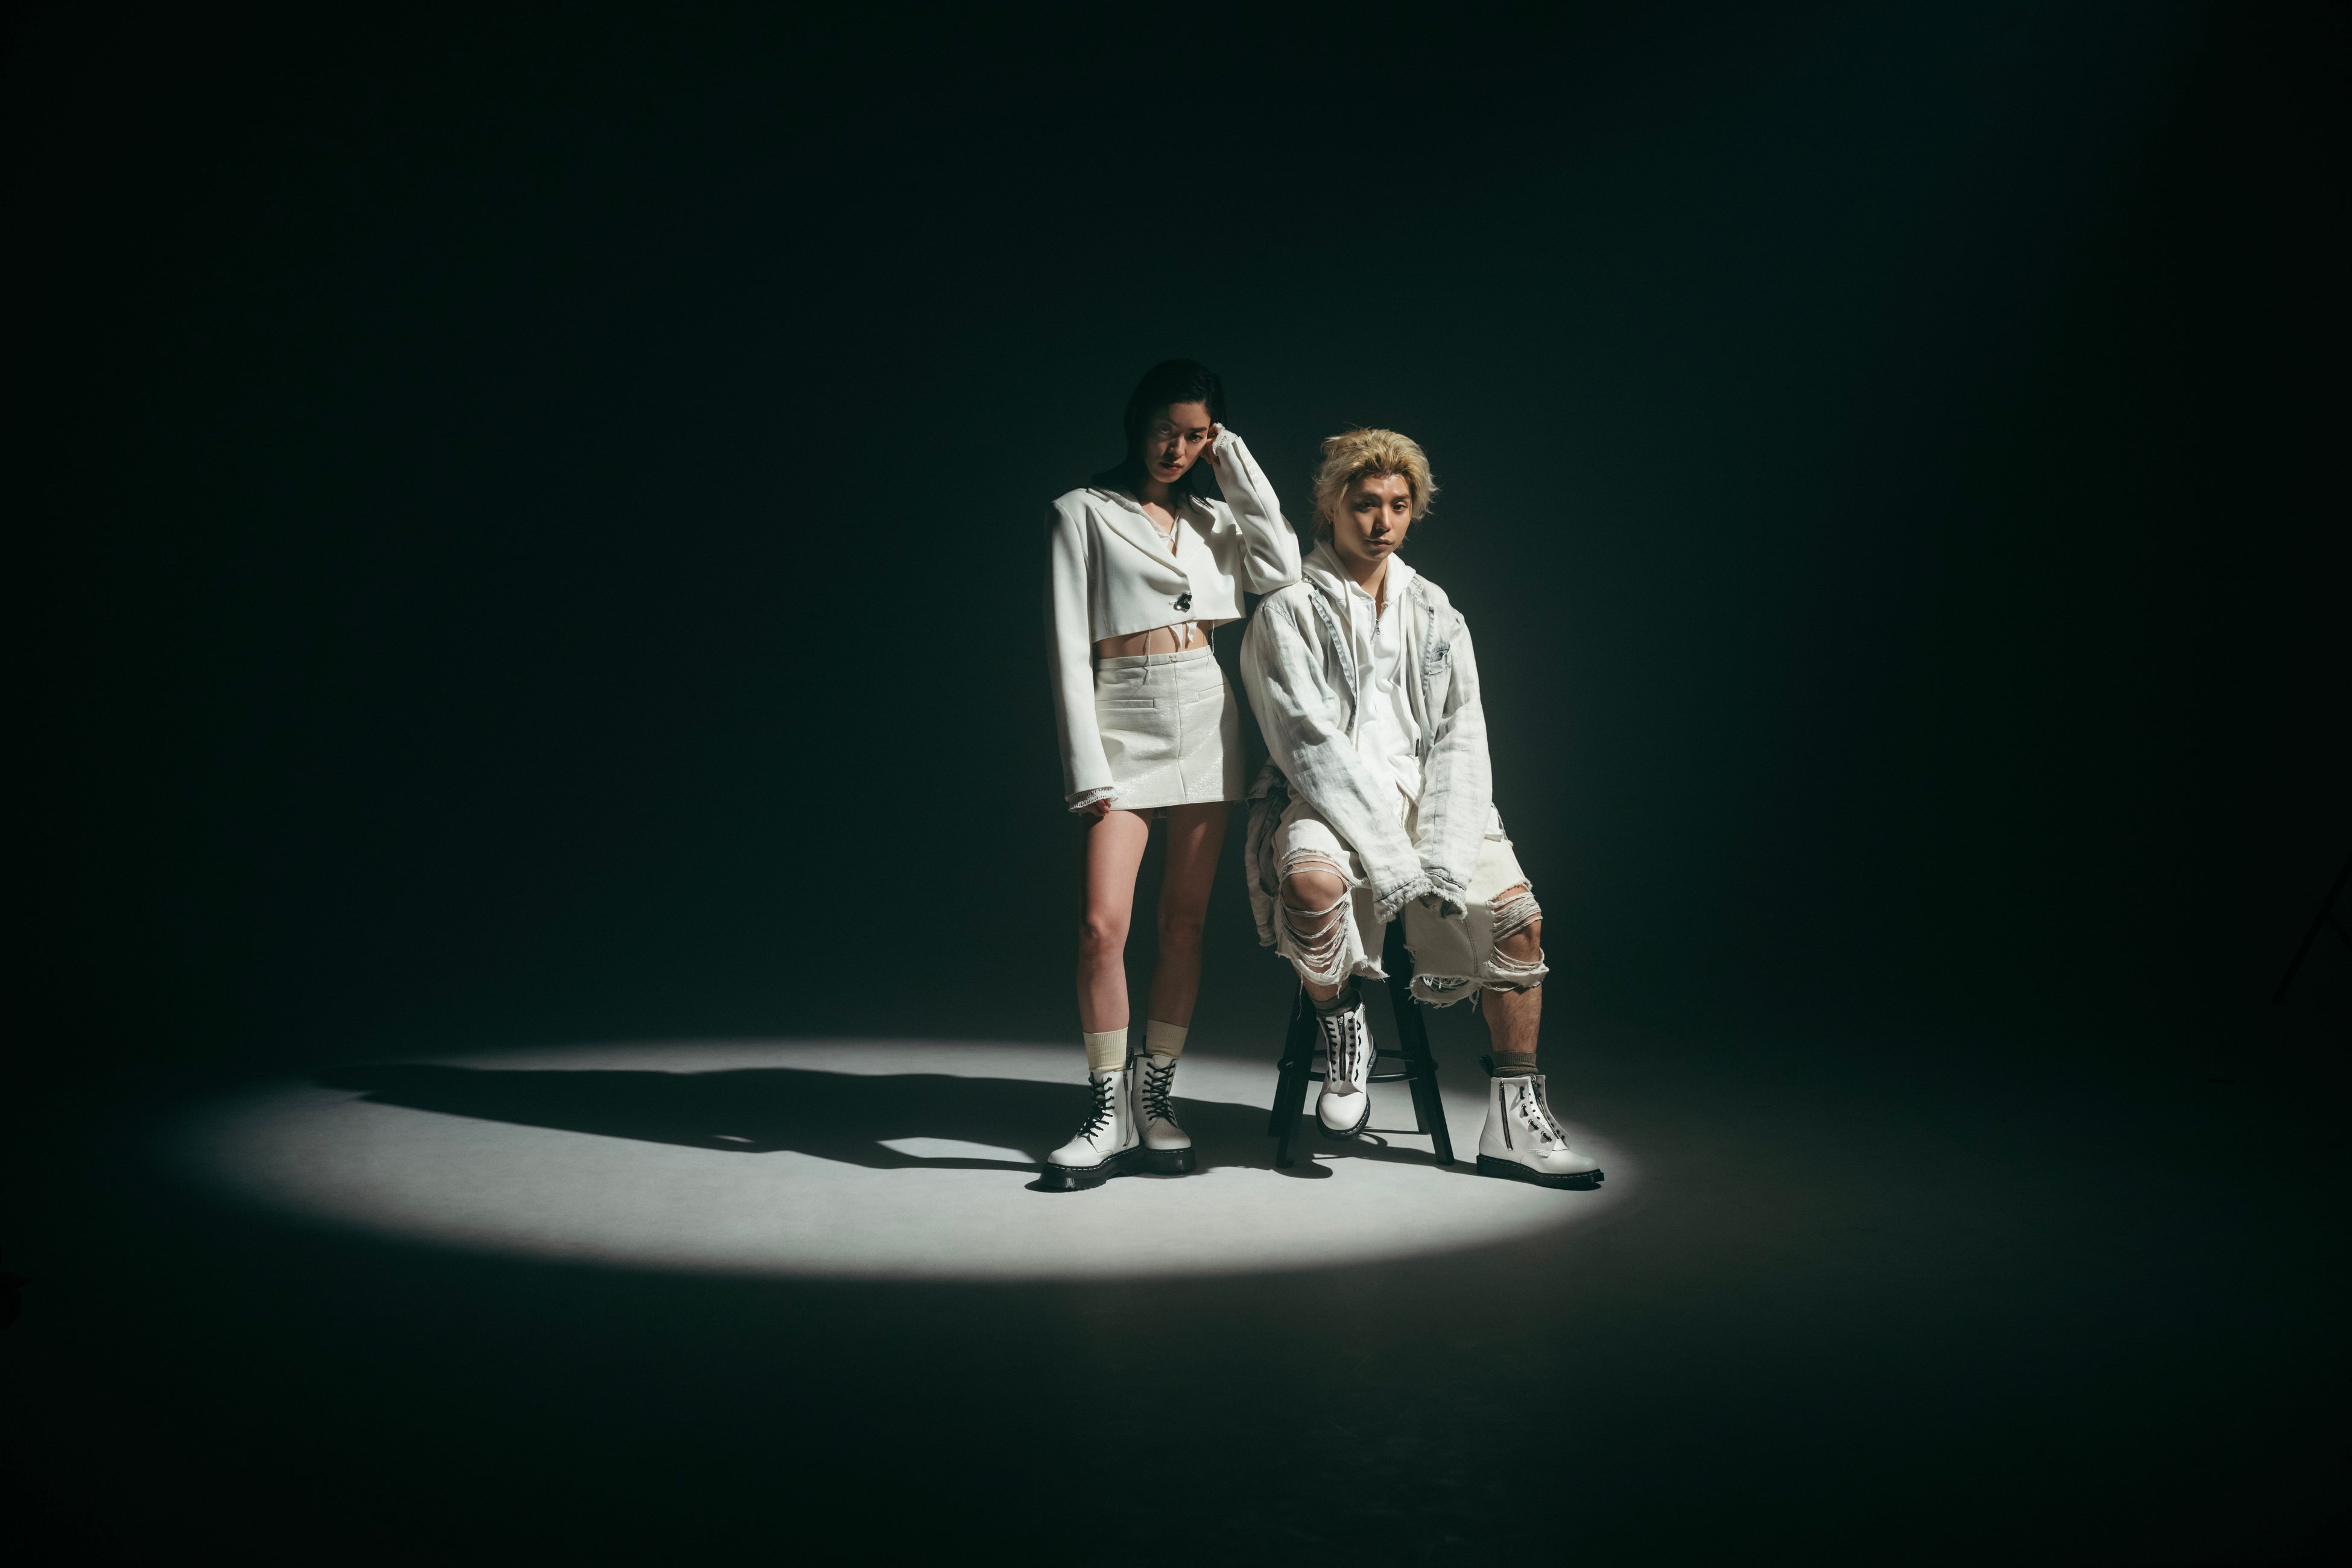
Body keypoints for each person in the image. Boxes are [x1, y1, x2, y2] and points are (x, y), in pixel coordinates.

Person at [1239, 429, 1602, 1187]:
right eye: (1365, 504)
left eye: (1399, 505)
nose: (1382, 522)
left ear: (1414, 510)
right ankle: (1344, 1026)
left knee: (1520, 922)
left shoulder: (1436, 609)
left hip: (1426, 797)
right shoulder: (1290, 608)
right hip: (1323, 795)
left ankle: (1514, 1121)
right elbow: (1306, 740)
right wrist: (1389, 855)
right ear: (1331, 507)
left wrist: (1440, 848)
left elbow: (1462, 736)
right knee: (1310, 884)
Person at [1039, 359, 1301, 1191]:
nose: (1177, 448)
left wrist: (1237, 466)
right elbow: (1065, 649)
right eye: (1166, 430)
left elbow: (1283, 570)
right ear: (1137, 422)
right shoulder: (1080, 511)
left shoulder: (1215, 516)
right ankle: (1106, 1108)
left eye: (1196, 436)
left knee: (1183, 925)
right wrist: (1086, 768)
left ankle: (1154, 1098)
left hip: (1204, 710)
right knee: (1101, 928)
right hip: (1120, 710)